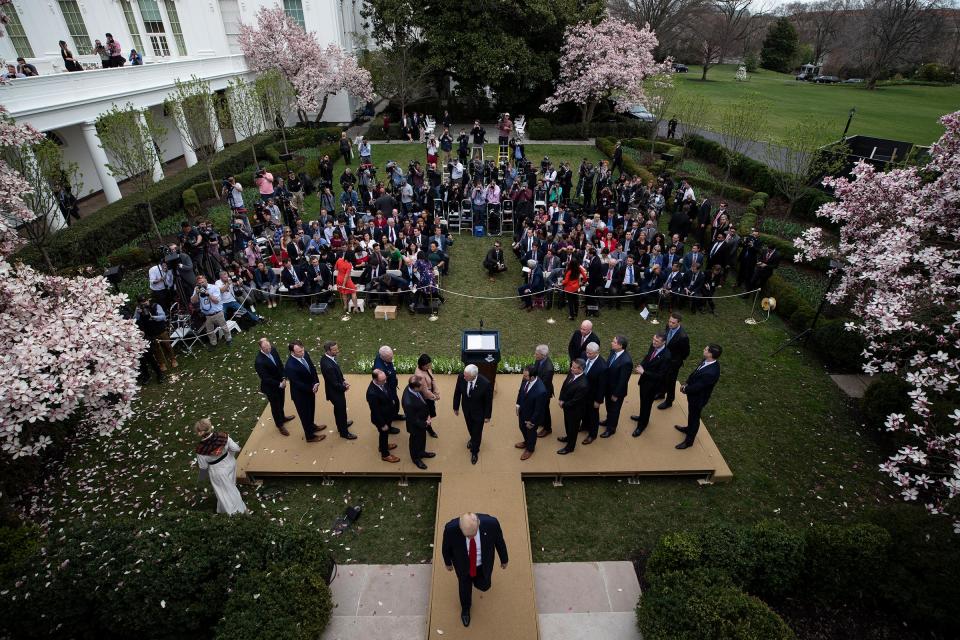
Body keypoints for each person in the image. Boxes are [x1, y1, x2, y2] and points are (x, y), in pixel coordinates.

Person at [441, 512, 508, 628]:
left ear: (478, 524)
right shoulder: (451, 529)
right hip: (462, 565)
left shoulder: (492, 524)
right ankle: (465, 610)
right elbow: (446, 548)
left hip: (483, 564)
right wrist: (448, 563)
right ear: (460, 527)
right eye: (467, 536)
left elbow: (500, 542)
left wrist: (504, 559)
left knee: (485, 585)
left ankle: (475, 581)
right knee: (464, 588)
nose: (471, 538)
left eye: (473, 534)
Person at [194, 418, 246, 515]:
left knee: (225, 494)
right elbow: (235, 448)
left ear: (199, 432)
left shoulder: (201, 450)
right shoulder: (223, 436)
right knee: (230, 486)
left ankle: (236, 513)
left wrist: (201, 479)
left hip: (218, 472)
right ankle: (222, 509)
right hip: (230, 463)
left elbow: (203, 467)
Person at [675, 344, 722, 449]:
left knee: (695, 418)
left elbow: (698, 387)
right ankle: (688, 428)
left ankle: (689, 441)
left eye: (706, 349)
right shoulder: (706, 361)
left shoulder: (711, 372)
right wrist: (687, 382)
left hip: (698, 399)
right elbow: (695, 373)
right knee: (692, 415)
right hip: (694, 396)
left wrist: (685, 389)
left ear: (710, 354)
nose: (703, 350)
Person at [284, 339, 327, 442]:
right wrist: (311, 389)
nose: (302, 352)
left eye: (302, 350)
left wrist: (316, 382)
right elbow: (297, 383)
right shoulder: (290, 366)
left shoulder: (304, 354)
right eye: (299, 352)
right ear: (292, 352)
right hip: (300, 396)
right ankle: (310, 436)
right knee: (305, 416)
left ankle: (312, 427)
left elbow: (311, 368)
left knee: (311, 411)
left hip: (310, 390)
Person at [630, 333, 671, 437]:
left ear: (663, 342)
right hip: (645, 382)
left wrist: (644, 372)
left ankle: (642, 425)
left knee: (647, 405)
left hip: (653, 386)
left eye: (657, 341)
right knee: (643, 402)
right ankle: (642, 417)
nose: (654, 342)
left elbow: (660, 375)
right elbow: (648, 357)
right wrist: (642, 365)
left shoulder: (666, 356)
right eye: (653, 339)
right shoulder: (653, 346)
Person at [452, 364, 493, 465]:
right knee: (470, 428)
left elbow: (488, 402)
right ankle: (473, 438)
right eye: (464, 375)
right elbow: (457, 392)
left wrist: (487, 416)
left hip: (479, 412)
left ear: (474, 375)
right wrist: (455, 407)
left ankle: (474, 451)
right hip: (467, 409)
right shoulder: (462, 377)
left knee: (477, 432)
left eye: (466, 376)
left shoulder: (485, 383)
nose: (464, 377)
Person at [255, 337, 295, 436]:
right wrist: (279, 384)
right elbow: (265, 378)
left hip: (281, 382)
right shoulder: (259, 362)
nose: (269, 349)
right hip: (271, 388)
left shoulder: (273, 350)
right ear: (260, 347)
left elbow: (279, 364)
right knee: (275, 406)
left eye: (269, 346)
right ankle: (279, 425)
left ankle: (283, 417)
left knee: (281, 402)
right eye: (266, 348)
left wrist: (284, 377)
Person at [320, 340, 355, 439]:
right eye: (334, 350)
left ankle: (341, 425)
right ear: (328, 351)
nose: (337, 351)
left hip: (334, 390)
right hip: (335, 392)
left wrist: (342, 380)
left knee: (339, 410)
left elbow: (336, 374)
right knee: (341, 411)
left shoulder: (326, 359)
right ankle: (344, 433)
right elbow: (334, 383)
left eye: (337, 348)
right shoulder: (328, 366)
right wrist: (344, 387)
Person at [600, 335, 633, 437]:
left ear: (620, 345)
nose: (612, 343)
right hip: (608, 387)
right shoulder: (613, 351)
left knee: (614, 410)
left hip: (616, 391)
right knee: (609, 407)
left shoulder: (626, 361)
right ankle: (608, 420)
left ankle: (611, 429)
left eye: (614, 342)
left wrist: (616, 394)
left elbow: (623, 381)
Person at [657, 313, 690, 409]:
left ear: (679, 323)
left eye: (673, 323)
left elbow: (686, 352)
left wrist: (676, 360)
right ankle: (661, 393)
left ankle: (669, 401)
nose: (670, 324)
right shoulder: (668, 326)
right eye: (669, 321)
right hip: (664, 358)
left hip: (674, 363)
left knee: (670, 382)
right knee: (662, 377)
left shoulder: (683, 337)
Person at [367, 369, 400, 463]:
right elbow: (375, 411)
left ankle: (382, 446)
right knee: (384, 434)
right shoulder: (372, 393)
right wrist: (382, 424)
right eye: (383, 380)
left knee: (384, 435)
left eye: (385, 379)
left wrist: (392, 400)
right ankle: (385, 454)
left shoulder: (382, 382)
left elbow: (387, 390)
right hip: (381, 419)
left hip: (387, 415)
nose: (385, 381)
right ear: (375, 380)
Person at [557, 359, 589, 455]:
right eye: (572, 366)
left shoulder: (583, 384)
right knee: (567, 425)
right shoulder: (572, 373)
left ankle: (570, 447)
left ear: (581, 369)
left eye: (574, 367)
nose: (571, 368)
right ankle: (568, 437)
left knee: (573, 428)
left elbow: (575, 401)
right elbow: (564, 386)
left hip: (575, 411)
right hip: (567, 408)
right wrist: (561, 398)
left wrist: (563, 404)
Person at [401, 375, 434, 469]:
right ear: (415, 387)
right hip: (415, 426)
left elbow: (422, 402)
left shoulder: (411, 387)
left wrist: (427, 416)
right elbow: (412, 419)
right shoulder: (408, 402)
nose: (424, 387)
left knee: (422, 438)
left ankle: (422, 452)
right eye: (422, 386)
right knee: (415, 442)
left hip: (422, 420)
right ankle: (416, 458)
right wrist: (426, 423)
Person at [516, 364, 548, 460]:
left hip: (532, 418)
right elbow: (520, 392)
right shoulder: (526, 380)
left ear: (533, 377)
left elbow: (539, 409)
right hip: (523, 412)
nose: (523, 377)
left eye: (525, 376)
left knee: (531, 432)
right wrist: (517, 405)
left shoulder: (541, 391)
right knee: (522, 427)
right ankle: (526, 442)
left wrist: (532, 421)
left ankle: (530, 449)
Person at [191, 274, 231, 348]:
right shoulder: (197, 289)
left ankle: (228, 339)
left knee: (224, 327)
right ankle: (213, 344)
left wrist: (207, 294)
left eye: (202, 282)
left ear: (206, 280)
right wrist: (197, 293)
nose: (201, 284)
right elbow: (193, 301)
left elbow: (216, 301)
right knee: (209, 331)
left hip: (217, 313)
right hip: (207, 315)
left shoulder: (214, 287)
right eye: (199, 283)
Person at [581, 342, 607, 444]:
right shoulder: (584, 355)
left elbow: (602, 386)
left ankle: (592, 434)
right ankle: (584, 426)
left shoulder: (602, 366)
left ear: (597, 352)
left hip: (593, 396)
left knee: (593, 415)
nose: (587, 355)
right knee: (583, 411)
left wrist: (598, 400)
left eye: (590, 353)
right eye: (587, 352)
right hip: (583, 393)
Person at [373, 345, 403, 428]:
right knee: (389, 407)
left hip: (392, 386)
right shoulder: (380, 369)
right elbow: (382, 385)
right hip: (388, 390)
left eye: (391, 356)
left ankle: (395, 416)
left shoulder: (382, 356)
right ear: (382, 357)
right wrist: (389, 397)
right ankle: (388, 426)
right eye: (389, 358)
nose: (392, 359)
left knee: (396, 403)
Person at [412, 354, 440, 438]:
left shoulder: (426, 368)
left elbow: (432, 379)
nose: (429, 367)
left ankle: (427, 425)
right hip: (425, 397)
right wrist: (435, 397)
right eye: (427, 365)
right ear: (422, 365)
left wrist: (436, 392)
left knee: (429, 412)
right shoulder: (419, 375)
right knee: (426, 413)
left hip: (430, 393)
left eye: (429, 365)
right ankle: (428, 428)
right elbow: (425, 391)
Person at [533, 345, 555, 438]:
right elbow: (535, 371)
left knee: (545, 410)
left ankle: (547, 428)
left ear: (543, 355)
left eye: (536, 354)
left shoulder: (548, 369)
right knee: (540, 408)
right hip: (539, 388)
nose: (534, 355)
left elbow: (543, 384)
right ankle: (541, 422)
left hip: (544, 392)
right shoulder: (539, 360)